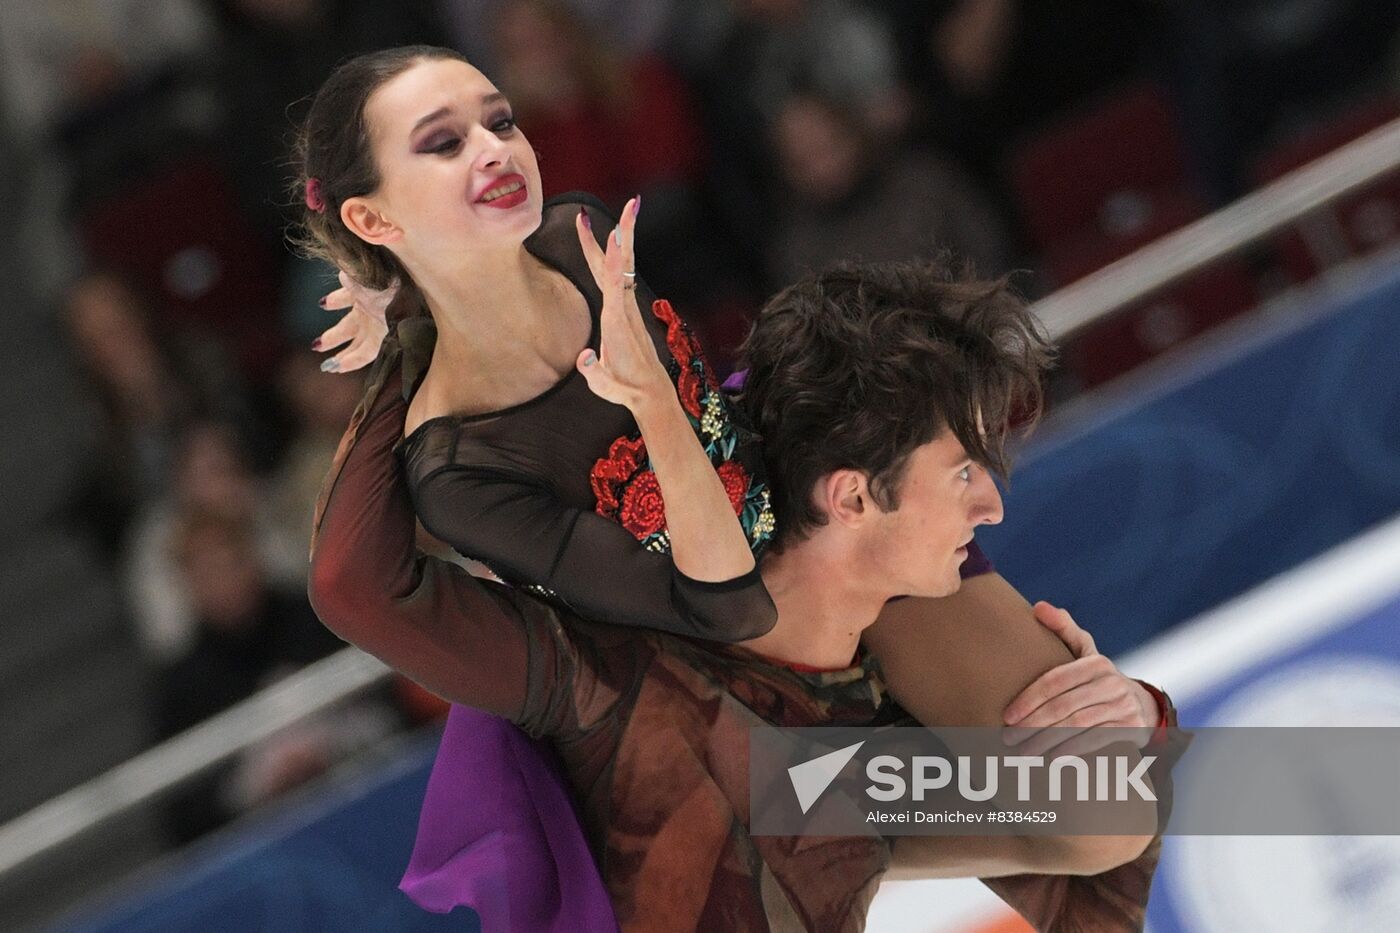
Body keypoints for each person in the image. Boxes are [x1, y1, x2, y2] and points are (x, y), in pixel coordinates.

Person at [296, 46, 1172, 928]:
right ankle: (843, 828)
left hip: (805, 531)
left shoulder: (578, 232)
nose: (493, 148)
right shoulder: (459, 464)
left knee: (1104, 805)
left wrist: (1127, 707)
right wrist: (416, 338)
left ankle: (860, 813)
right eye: (443, 143)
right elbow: (718, 608)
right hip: (716, 707)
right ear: (373, 216)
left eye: (500, 120)